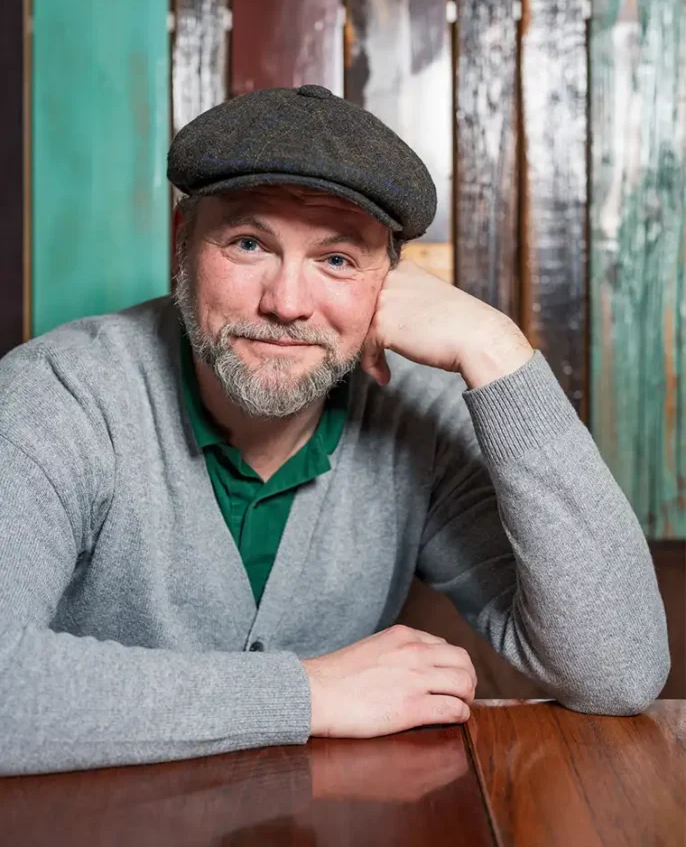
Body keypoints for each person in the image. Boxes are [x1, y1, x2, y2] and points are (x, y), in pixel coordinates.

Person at [0, 85, 669, 775]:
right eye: (249, 243)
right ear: (183, 243)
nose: (287, 304)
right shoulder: (58, 396)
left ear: (391, 281)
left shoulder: (418, 422)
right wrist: (309, 694)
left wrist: (498, 349)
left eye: (338, 259)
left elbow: (618, 672)